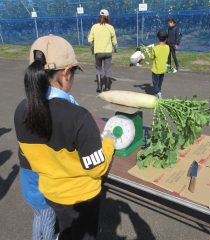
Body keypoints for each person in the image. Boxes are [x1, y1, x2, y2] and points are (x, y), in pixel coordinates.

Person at [14, 35, 115, 240]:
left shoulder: (21, 111)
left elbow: (29, 159)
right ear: (66, 72)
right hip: (81, 199)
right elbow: (97, 169)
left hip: (50, 194)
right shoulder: (79, 117)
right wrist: (109, 143)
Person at [88, 9, 118, 92]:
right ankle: (107, 87)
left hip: (98, 52)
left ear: (99, 16)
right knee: (107, 69)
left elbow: (90, 40)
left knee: (98, 69)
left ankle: (99, 86)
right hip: (108, 52)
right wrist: (115, 48)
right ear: (107, 17)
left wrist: (93, 45)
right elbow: (114, 41)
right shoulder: (110, 27)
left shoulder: (94, 27)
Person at [147, 31, 170, 99]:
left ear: (158, 38)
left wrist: (148, 51)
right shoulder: (167, 47)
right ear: (166, 38)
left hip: (156, 70)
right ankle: (157, 92)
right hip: (163, 69)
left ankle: (158, 94)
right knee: (160, 82)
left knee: (155, 83)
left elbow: (151, 57)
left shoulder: (155, 48)